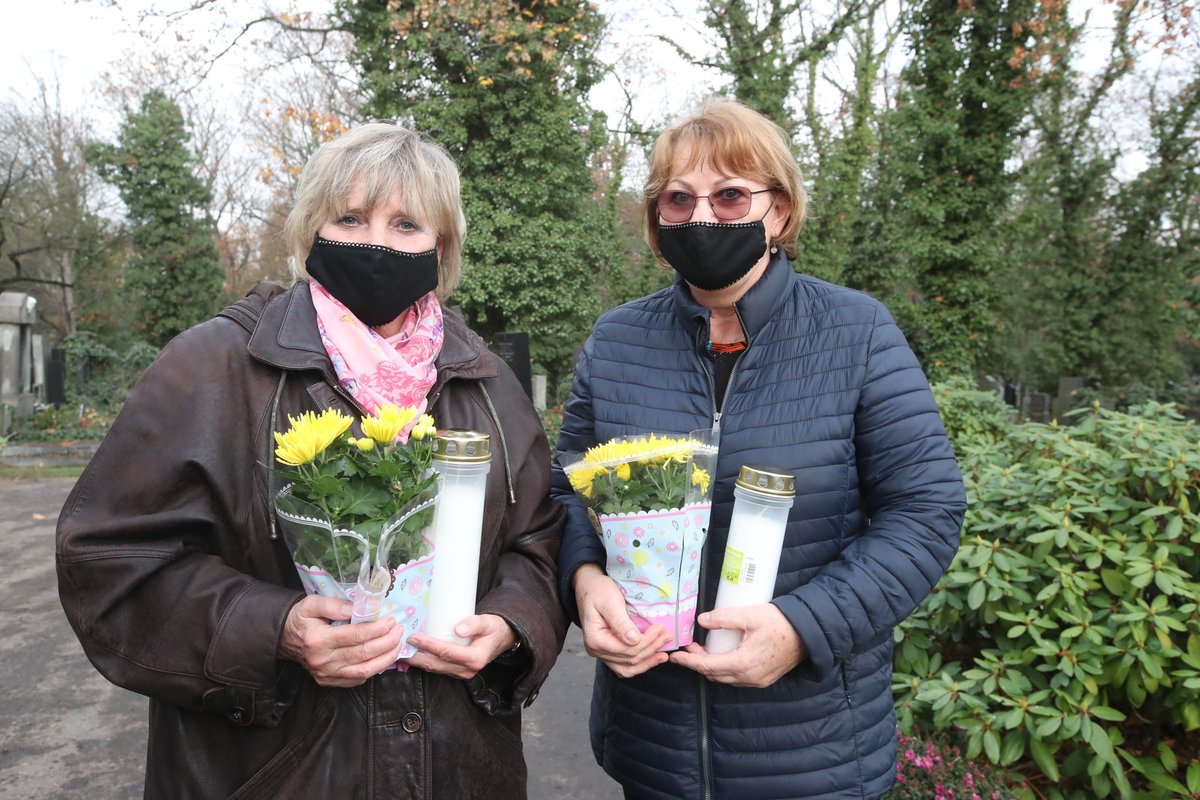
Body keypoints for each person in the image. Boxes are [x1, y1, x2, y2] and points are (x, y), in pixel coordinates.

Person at [56, 121, 566, 799]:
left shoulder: (488, 381)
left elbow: (538, 541)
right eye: (349, 218)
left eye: (406, 224)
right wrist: (276, 629)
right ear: (308, 231)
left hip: (459, 768)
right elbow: (109, 562)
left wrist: (510, 623)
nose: (376, 244)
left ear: (440, 249)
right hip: (274, 771)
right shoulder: (212, 368)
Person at [551, 98, 967, 800]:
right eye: (678, 199)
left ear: (777, 211)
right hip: (654, 742)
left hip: (814, 755)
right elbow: (568, 492)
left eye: (731, 195)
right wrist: (583, 581)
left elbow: (925, 509)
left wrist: (804, 627)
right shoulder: (618, 339)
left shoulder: (856, 332)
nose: (703, 217)